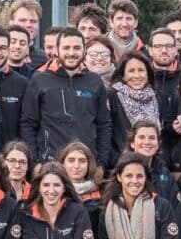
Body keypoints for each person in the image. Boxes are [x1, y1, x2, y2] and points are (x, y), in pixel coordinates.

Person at [25, 27, 115, 163]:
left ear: (84, 50)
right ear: (57, 50)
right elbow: (28, 124)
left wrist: (101, 163)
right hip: (51, 164)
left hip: (86, 164)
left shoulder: (95, 81)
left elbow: (104, 125)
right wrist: (35, 163)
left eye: (77, 48)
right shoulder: (39, 80)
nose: (71, 53)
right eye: (66, 48)